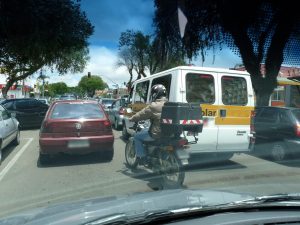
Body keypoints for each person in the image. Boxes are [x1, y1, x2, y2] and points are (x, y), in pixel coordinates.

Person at [129, 84, 168, 162]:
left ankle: (141, 157)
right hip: (169, 133)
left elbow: (141, 114)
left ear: (155, 94)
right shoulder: (170, 104)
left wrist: (132, 118)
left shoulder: (154, 106)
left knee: (137, 136)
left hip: (157, 134)